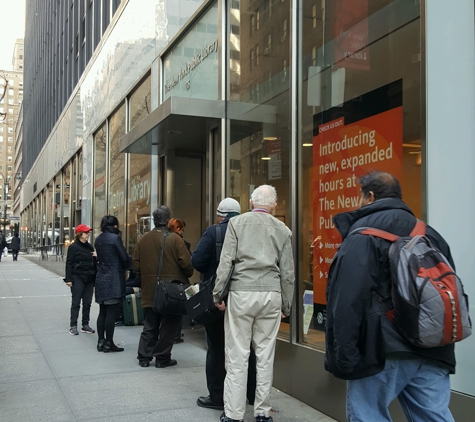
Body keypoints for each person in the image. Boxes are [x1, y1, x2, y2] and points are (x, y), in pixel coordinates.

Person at [325, 171, 456, 421]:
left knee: (369, 415)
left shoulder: (362, 237)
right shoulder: (431, 234)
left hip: (381, 349)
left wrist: (345, 357)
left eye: (359, 197)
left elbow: (347, 303)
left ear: (370, 196)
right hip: (433, 349)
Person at [213, 186, 295, 422]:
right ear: (274, 206)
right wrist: (285, 306)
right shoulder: (283, 230)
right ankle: (262, 412)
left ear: (250, 203)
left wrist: (218, 294)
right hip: (271, 294)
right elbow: (288, 272)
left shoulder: (236, 225)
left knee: (237, 355)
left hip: (241, 293)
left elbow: (226, 262)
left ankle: (234, 414)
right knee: (265, 356)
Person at [192, 198, 257, 411]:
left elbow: (197, 261)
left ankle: (218, 396)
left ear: (221, 215)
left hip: (218, 299)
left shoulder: (214, 232)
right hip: (246, 297)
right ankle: (251, 394)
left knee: (217, 348)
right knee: (247, 347)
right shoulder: (249, 230)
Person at [133, 206, 194, 368]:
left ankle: (144, 357)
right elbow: (187, 265)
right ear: (169, 220)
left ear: (154, 220)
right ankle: (162, 358)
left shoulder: (143, 240)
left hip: (150, 289)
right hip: (171, 290)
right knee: (169, 325)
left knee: (150, 324)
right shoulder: (175, 239)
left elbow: (135, 267)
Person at [94, 216, 129, 353]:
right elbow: (124, 257)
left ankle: (100, 341)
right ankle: (109, 343)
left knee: (102, 311)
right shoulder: (115, 238)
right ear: (115, 225)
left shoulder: (99, 239)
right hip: (114, 278)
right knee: (111, 313)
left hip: (101, 277)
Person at [64, 224, 97, 336]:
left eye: (88, 232)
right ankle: (73, 325)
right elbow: (69, 263)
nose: (88, 234)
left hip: (89, 277)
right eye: (86, 232)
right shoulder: (73, 247)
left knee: (87, 302)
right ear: (79, 234)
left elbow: (94, 263)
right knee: (76, 302)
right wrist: (69, 279)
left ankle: (85, 325)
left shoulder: (90, 247)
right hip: (77, 276)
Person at [167, 218, 190, 344]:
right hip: (177, 279)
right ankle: (175, 334)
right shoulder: (179, 241)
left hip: (164, 280)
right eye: (181, 229)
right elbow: (186, 262)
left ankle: (173, 334)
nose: (182, 232)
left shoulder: (163, 239)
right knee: (178, 307)